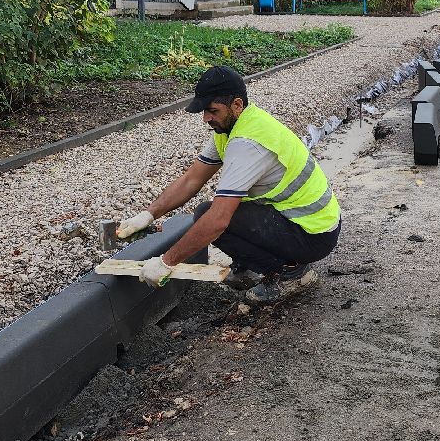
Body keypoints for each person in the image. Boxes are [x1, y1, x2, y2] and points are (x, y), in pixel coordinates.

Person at [116, 65, 341, 303]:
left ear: (236, 104)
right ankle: (255, 266)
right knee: (205, 212)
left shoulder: (248, 143)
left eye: (212, 110)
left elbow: (219, 219)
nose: (206, 118)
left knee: (213, 219)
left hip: (313, 232)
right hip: (297, 220)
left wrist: (166, 262)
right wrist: (148, 214)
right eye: (204, 111)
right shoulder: (230, 127)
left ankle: (293, 274)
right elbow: (191, 179)